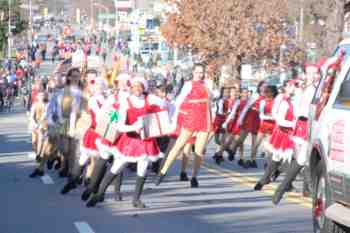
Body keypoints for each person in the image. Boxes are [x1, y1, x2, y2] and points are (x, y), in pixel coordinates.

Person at [86, 75, 166, 208]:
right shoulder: (125, 102)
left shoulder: (150, 98)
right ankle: (99, 194)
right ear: (131, 88)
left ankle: (136, 199)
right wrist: (134, 126)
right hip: (130, 139)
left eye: (140, 86)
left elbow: (166, 105)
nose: (137, 89)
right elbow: (120, 126)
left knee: (143, 168)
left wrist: (158, 118)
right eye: (134, 86)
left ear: (143, 88)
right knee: (117, 166)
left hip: (146, 140)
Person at [155, 63, 212, 188]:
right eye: (197, 72)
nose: (199, 74)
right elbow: (178, 101)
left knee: (199, 151)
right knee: (178, 146)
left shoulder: (206, 85)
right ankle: (163, 172)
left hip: (205, 118)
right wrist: (174, 120)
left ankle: (194, 177)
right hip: (191, 118)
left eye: (201, 72)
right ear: (193, 72)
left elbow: (211, 101)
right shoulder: (188, 85)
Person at [254, 80, 297, 200]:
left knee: (293, 159)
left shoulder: (297, 98)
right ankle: (265, 180)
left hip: (294, 133)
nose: (294, 88)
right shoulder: (282, 100)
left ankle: (271, 179)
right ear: (287, 88)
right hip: (283, 131)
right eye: (292, 86)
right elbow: (278, 118)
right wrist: (294, 124)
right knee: (278, 157)